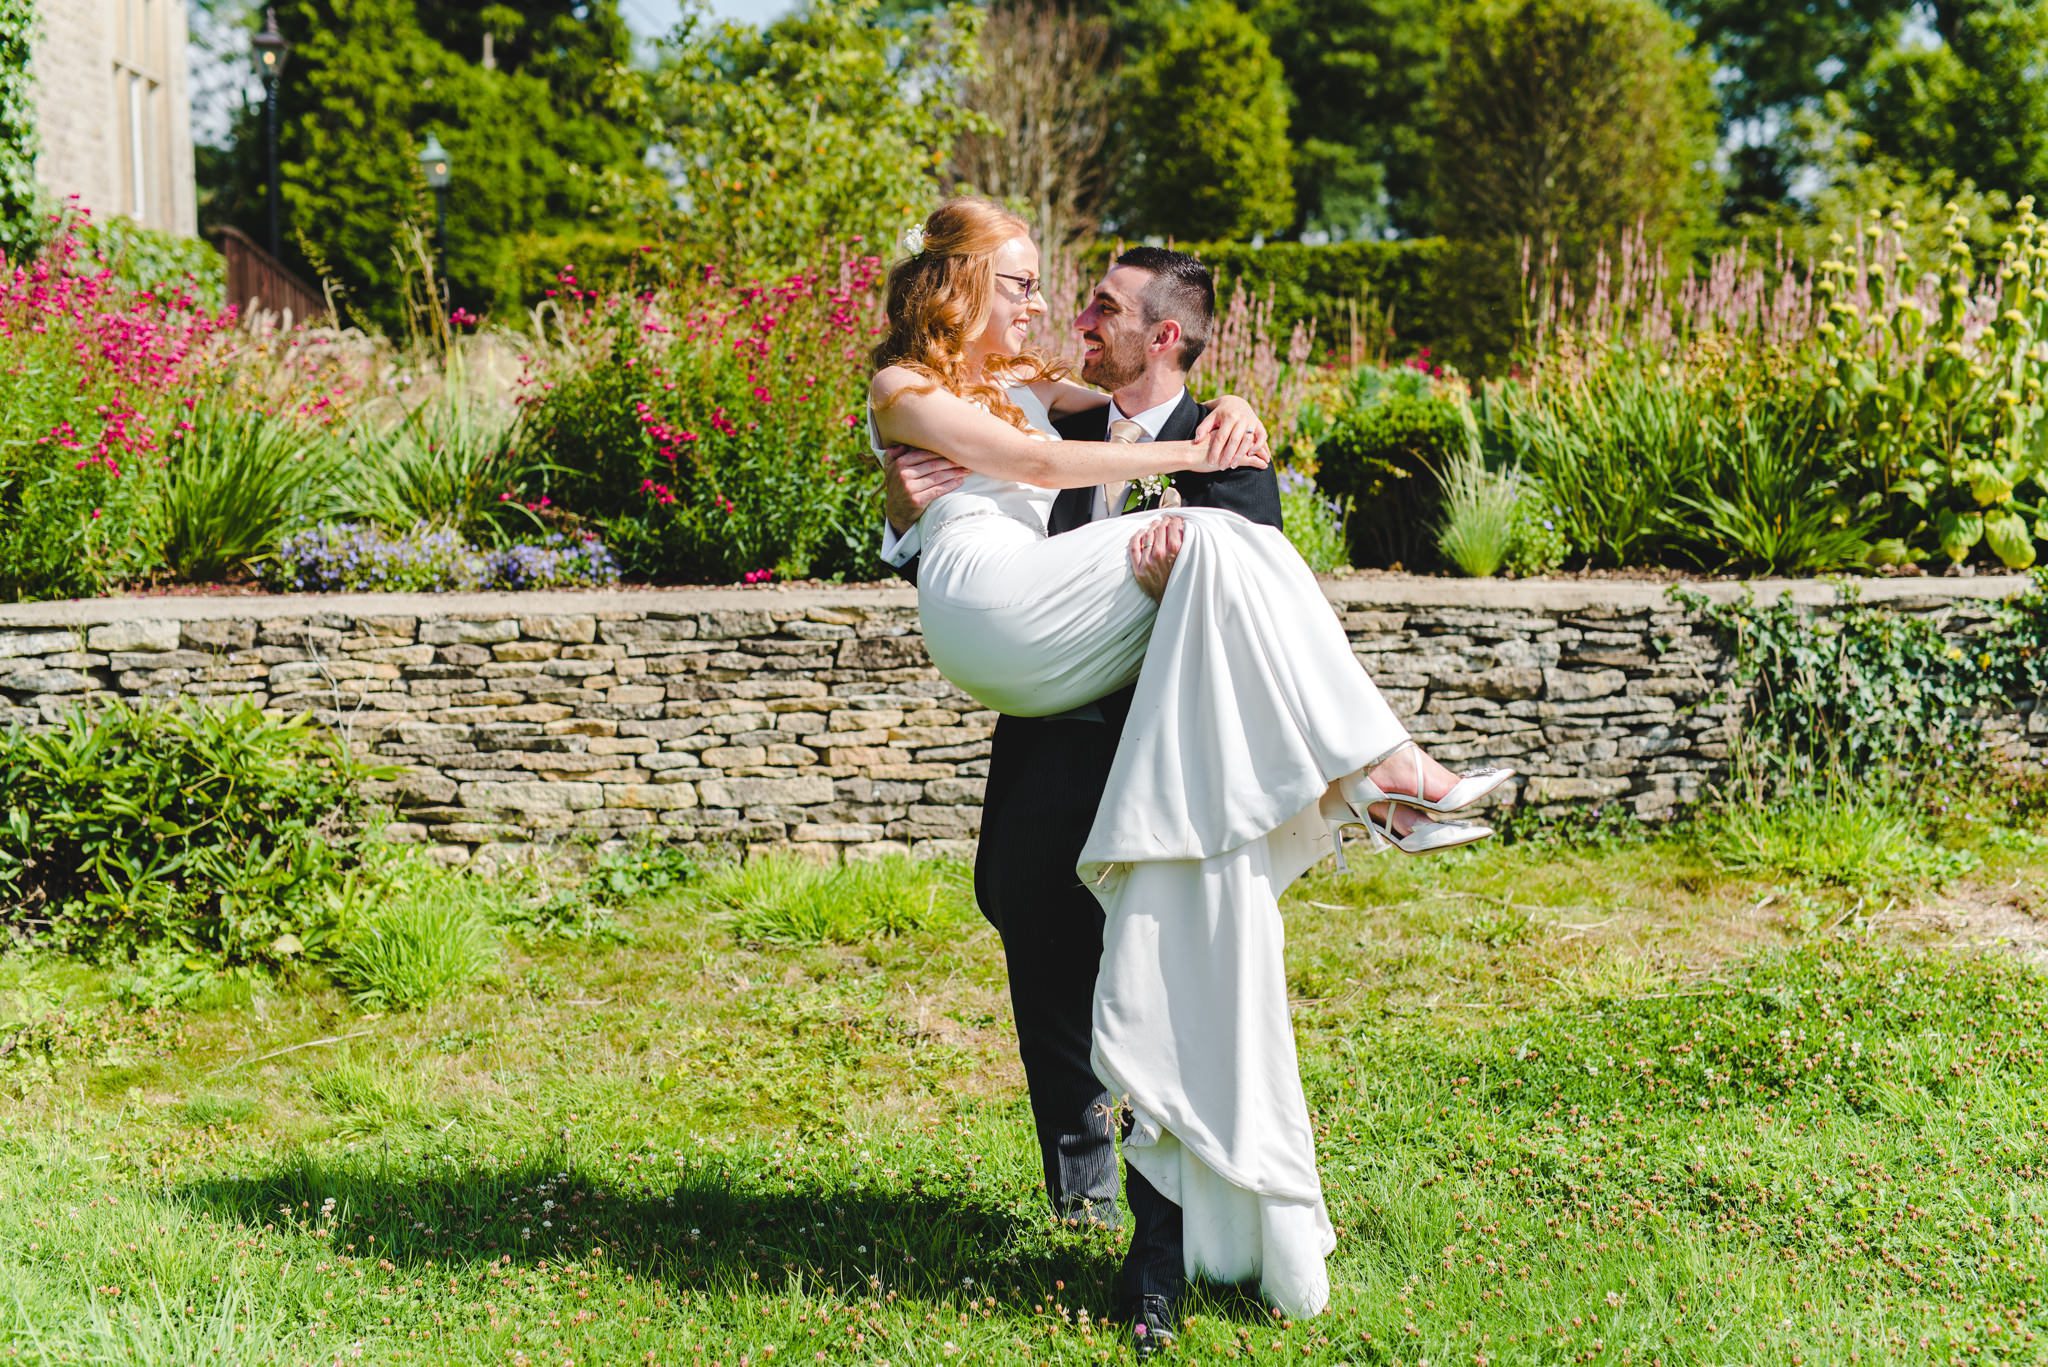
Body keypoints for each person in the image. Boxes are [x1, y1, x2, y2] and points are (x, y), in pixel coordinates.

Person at [868, 198, 1511, 1345]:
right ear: (959, 285)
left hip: (1169, 751)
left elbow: (1076, 441)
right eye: (1025, 283)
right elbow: (1022, 460)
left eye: (1093, 302)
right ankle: (1379, 774)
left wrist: (1226, 425)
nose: (1057, 309)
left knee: (1223, 544)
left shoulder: (1114, 407)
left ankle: (1158, 1245)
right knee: (1036, 930)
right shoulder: (955, 393)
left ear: (1163, 334)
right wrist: (1179, 451)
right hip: (1033, 687)